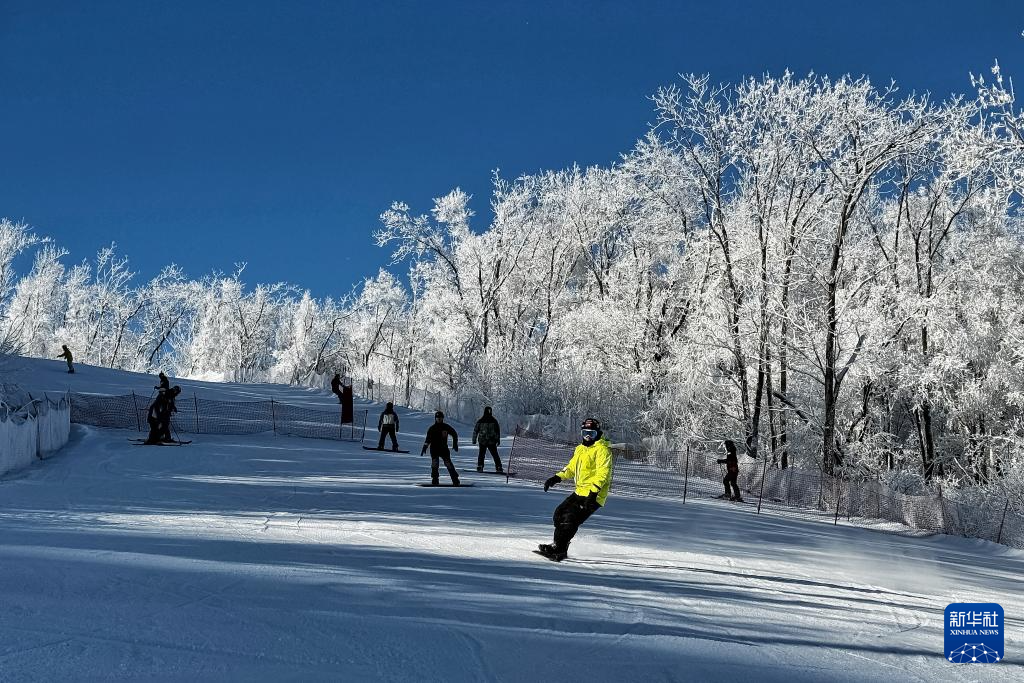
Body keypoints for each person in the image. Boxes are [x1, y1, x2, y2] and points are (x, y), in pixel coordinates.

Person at [538, 417, 612, 561]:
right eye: (585, 433)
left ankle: (560, 549)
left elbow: (603, 474)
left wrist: (593, 493)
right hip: (580, 491)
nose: (588, 437)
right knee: (559, 514)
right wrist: (556, 477)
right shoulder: (580, 449)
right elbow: (571, 468)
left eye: (592, 433)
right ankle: (557, 545)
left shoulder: (602, 450)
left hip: (593, 495)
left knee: (570, 519)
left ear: (598, 433)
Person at [421, 410, 460, 486]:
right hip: (434, 449)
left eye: (440, 417)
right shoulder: (432, 428)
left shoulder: (446, 427)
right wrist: (425, 447)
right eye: (437, 417)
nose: (439, 419)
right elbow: (428, 439)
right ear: (435, 418)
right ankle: (435, 479)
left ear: (442, 418)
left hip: (444, 449)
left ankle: (455, 479)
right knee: (435, 465)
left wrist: (455, 443)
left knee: (448, 464)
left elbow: (454, 434)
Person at [472, 406, 503, 473]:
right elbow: (476, 430)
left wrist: (498, 439)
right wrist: (498, 439)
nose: (489, 412)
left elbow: (497, 431)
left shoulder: (483, 420)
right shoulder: (492, 420)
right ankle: (497, 467)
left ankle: (497, 467)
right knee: (486, 454)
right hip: (488, 440)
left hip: (487, 440)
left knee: (490, 454)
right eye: (488, 411)